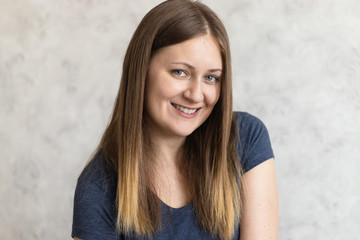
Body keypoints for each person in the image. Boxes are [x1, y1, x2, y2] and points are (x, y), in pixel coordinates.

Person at [72, 0, 278, 239]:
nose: (195, 94)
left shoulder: (245, 139)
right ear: (142, 71)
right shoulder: (98, 187)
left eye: (211, 78)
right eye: (180, 72)